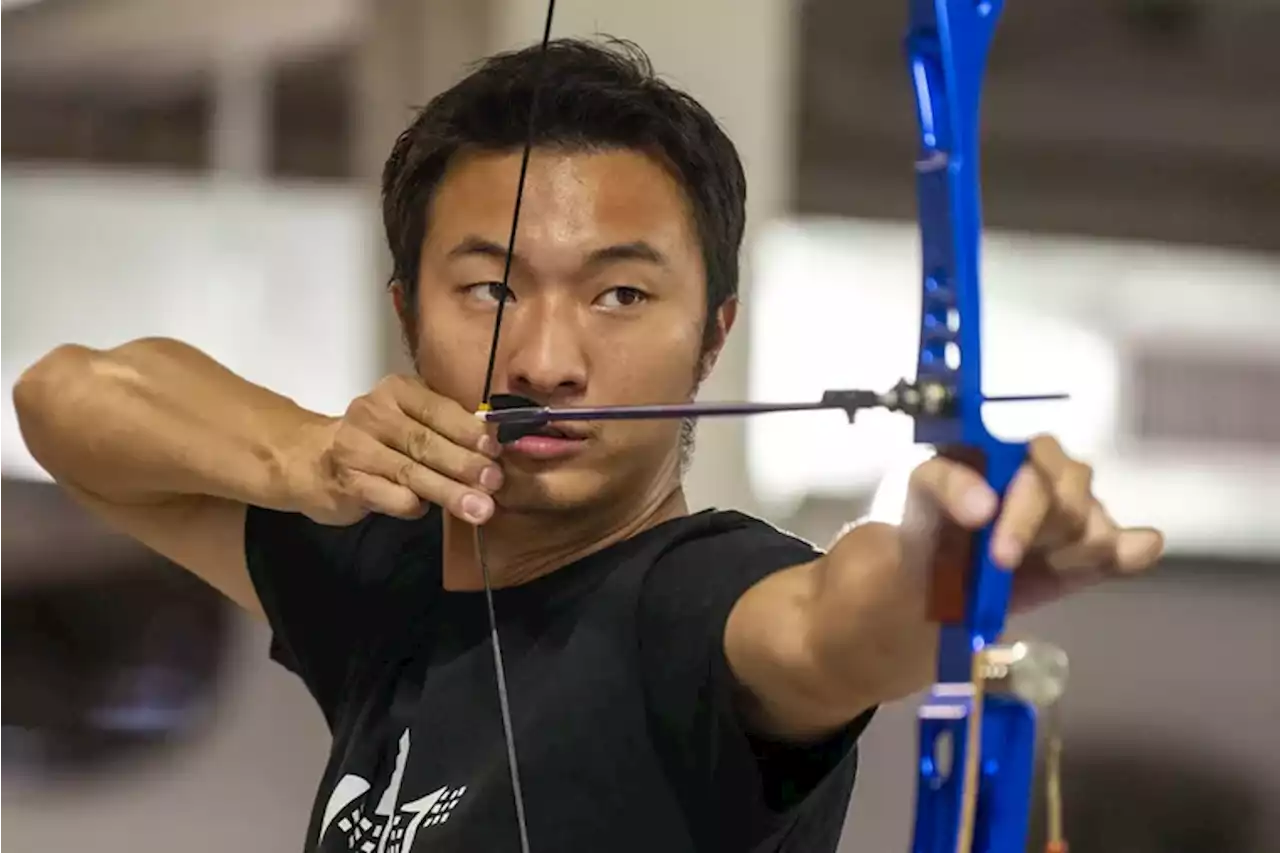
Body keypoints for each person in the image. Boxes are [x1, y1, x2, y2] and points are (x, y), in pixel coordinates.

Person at [11, 38, 1163, 853]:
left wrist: (954, 544)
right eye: (488, 288)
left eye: (618, 295)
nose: (545, 358)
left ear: (713, 337)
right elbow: (66, 399)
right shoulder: (386, 574)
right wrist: (302, 457)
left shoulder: (698, 603)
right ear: (408, 312)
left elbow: (840, 616)